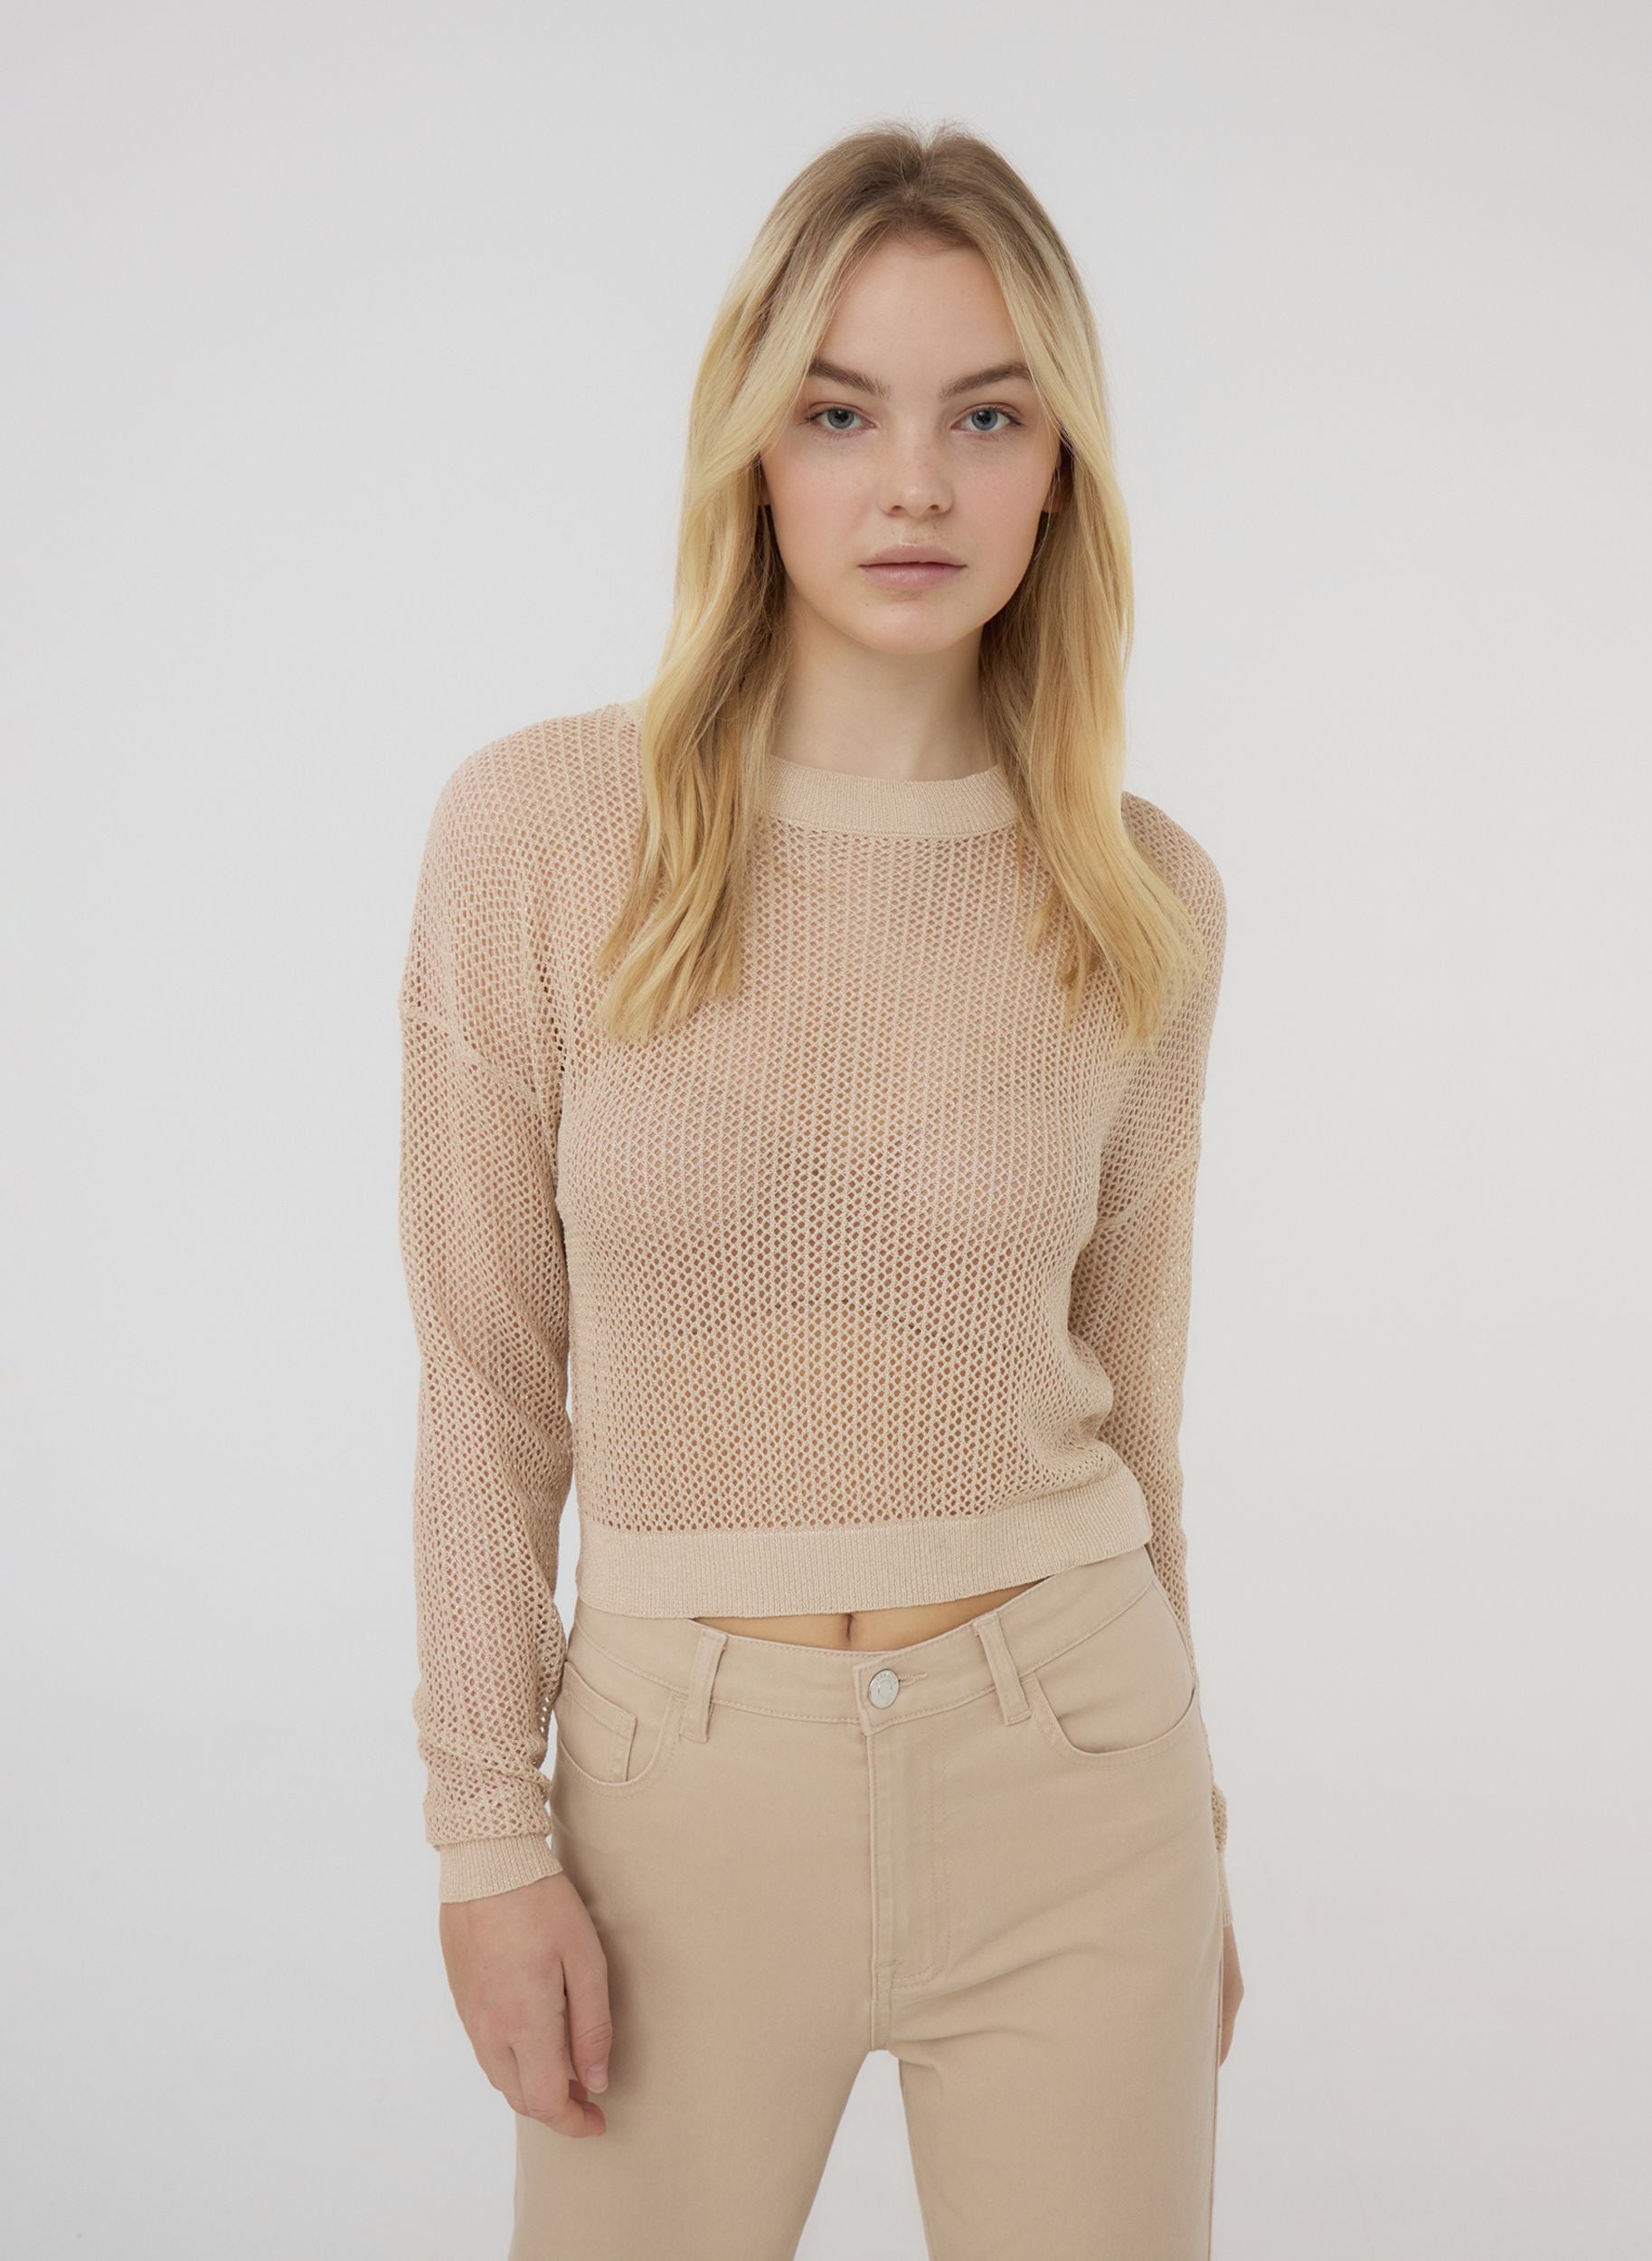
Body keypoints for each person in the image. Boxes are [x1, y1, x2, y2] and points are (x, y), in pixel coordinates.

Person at [396, 118, 1244, 2261]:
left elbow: (1134, 1407)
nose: (916, 485)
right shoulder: (539, 834)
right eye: (842, 413)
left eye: (988, 416)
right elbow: (484, 1385)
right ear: (752, 452)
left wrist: (1199, 1829)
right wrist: (486, 1833)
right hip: (673, 1793)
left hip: (1079, 1768)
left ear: (1060, 469)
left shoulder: (1141, 893)